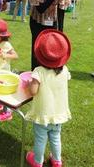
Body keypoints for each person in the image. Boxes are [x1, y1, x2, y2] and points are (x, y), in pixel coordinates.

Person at [25, 29, 71, 167]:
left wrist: (29, 83)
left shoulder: (39, 72)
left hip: (43, 115)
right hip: (58, 114)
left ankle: (37, 162)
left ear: (40, 55)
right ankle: (57, 161)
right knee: (55, 138)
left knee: (40, 139)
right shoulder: (65, 70)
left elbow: (33, 91)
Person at [29, 0, 69, 70]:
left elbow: (61, 11)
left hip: (52, 20)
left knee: (51, 46)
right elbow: (40, 9)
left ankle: (48, 73)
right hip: (37, 21)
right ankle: (35, 73)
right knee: (37, 48)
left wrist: (60, 33)